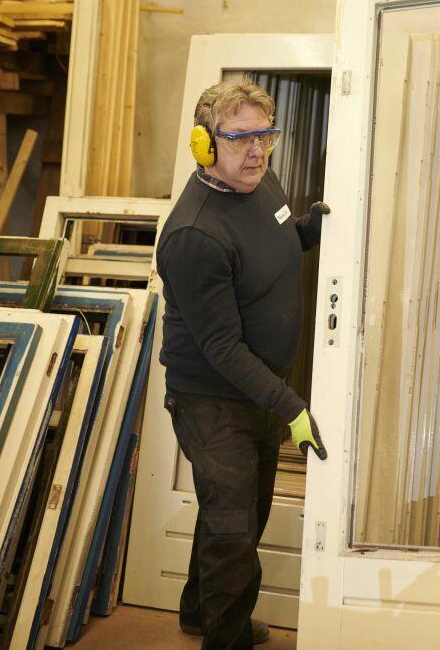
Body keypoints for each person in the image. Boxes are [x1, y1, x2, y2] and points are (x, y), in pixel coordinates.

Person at [157, 78, 330, 650]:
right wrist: (291, 405)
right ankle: (225, 637)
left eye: (265, 135)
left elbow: (272, 248)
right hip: (211, 399)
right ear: (205, 144)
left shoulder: (261, 182)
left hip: (258, 388)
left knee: (239, 511)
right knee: (233, 525)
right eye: (239, 138)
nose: (257, 151)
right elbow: (222, 348)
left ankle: (199, 611)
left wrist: (309, 232)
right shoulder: (194, 234)